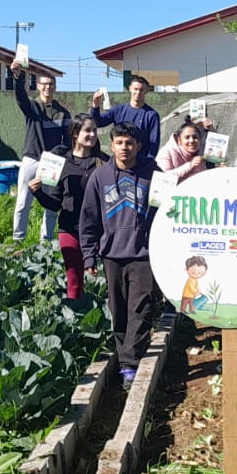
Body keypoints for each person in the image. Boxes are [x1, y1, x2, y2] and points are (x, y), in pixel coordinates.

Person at [79, 123, 159, 391]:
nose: (125, 148)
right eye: (120, 143)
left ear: (138, 146)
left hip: (144, 254)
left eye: (130, 143)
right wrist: (89, 256)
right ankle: (126, 356)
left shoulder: (153, 175)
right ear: (112, 145)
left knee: (142, 307)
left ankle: (129, 363)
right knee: (119, 311)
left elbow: (168, 212)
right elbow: (88, 219)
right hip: (112, 254)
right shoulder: (99, 177)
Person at [29, 113, 106, 302]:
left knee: (106, 277)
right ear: (75, 134)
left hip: (99, 230)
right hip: (69, 229)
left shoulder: (104, 162)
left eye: (94, 131)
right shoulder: (60, 164)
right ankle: (75, 318)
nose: (92, 134)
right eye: (87, 130)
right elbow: (54, 204)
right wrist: (38, 192)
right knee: (74, 278)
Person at [11, 61, 71, 243]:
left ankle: (46, 242)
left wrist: (54, 153)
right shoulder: (33, 108)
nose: (47, 88)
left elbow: (68, 142)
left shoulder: (63, 113)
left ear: (55, 87)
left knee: (51, 205)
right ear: (38, 86)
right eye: (44, 84)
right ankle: (17, 241)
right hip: (31, 159)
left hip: (52, 163)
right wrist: (18, 76)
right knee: (23, 202)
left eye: (51, 84)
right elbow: (21, 97)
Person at [91, 75, 162, 161]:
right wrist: (95, 106)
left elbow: (154, 142)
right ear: (130, 89)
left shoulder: (151, 115)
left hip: (142, 163)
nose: (138, 92)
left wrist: (148, 162)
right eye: (135, 89)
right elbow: (98, 122)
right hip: (120, 161)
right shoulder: (118, 110)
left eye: (141, 90)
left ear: (146, 91)